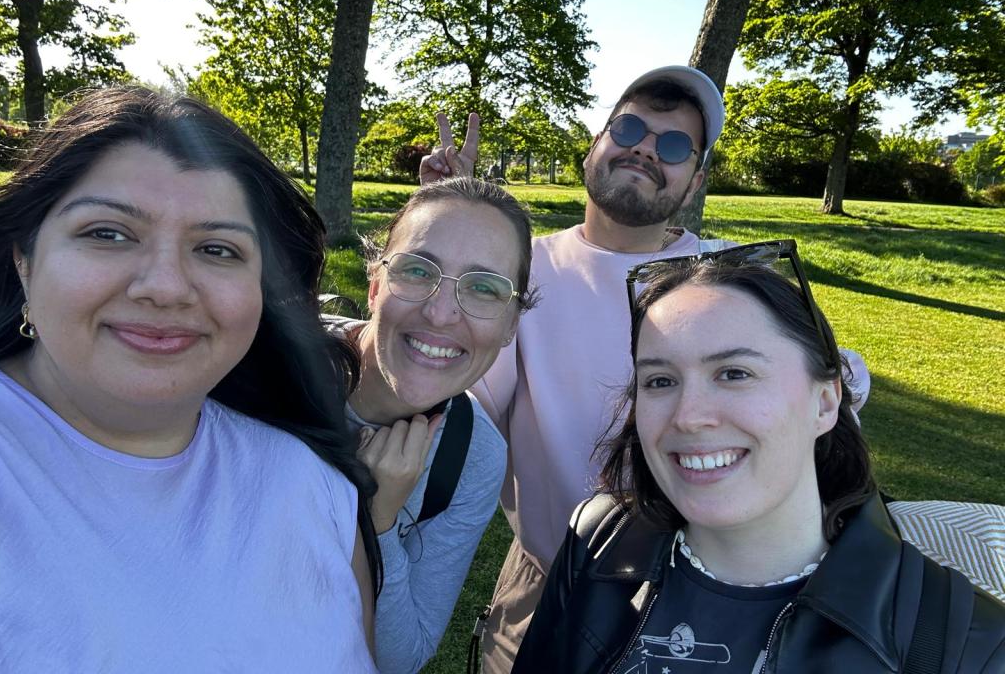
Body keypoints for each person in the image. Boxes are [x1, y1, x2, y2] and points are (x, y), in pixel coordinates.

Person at [423, 67, 860, 670]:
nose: (647, 149)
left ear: (696, 179)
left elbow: (827, 379)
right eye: (629, 128)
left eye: (676, 145)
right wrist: (459, 228)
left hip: (718, 595)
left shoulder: (728, 274)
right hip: (550, 576)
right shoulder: (520, 271)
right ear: (594, 146)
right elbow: (457, 402)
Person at [0, 86, 380, 671]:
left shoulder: (313, 485)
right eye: (107, 233)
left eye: (217, 249)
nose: (165, 286)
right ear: (25, 258)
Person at [513, 243, 1005, 672]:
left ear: (827, 402)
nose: (689, 416)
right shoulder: (598, 542)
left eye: (734, 373)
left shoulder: (966, 642)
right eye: (660, 381)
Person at [327, 176, 536, 673]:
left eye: (484, 288)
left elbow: (402, 657)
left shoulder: (472, 457)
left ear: (510, 325)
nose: (441, 314)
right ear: (375, 287)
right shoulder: (268, 368)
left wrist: (378, 523)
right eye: (418, 271)